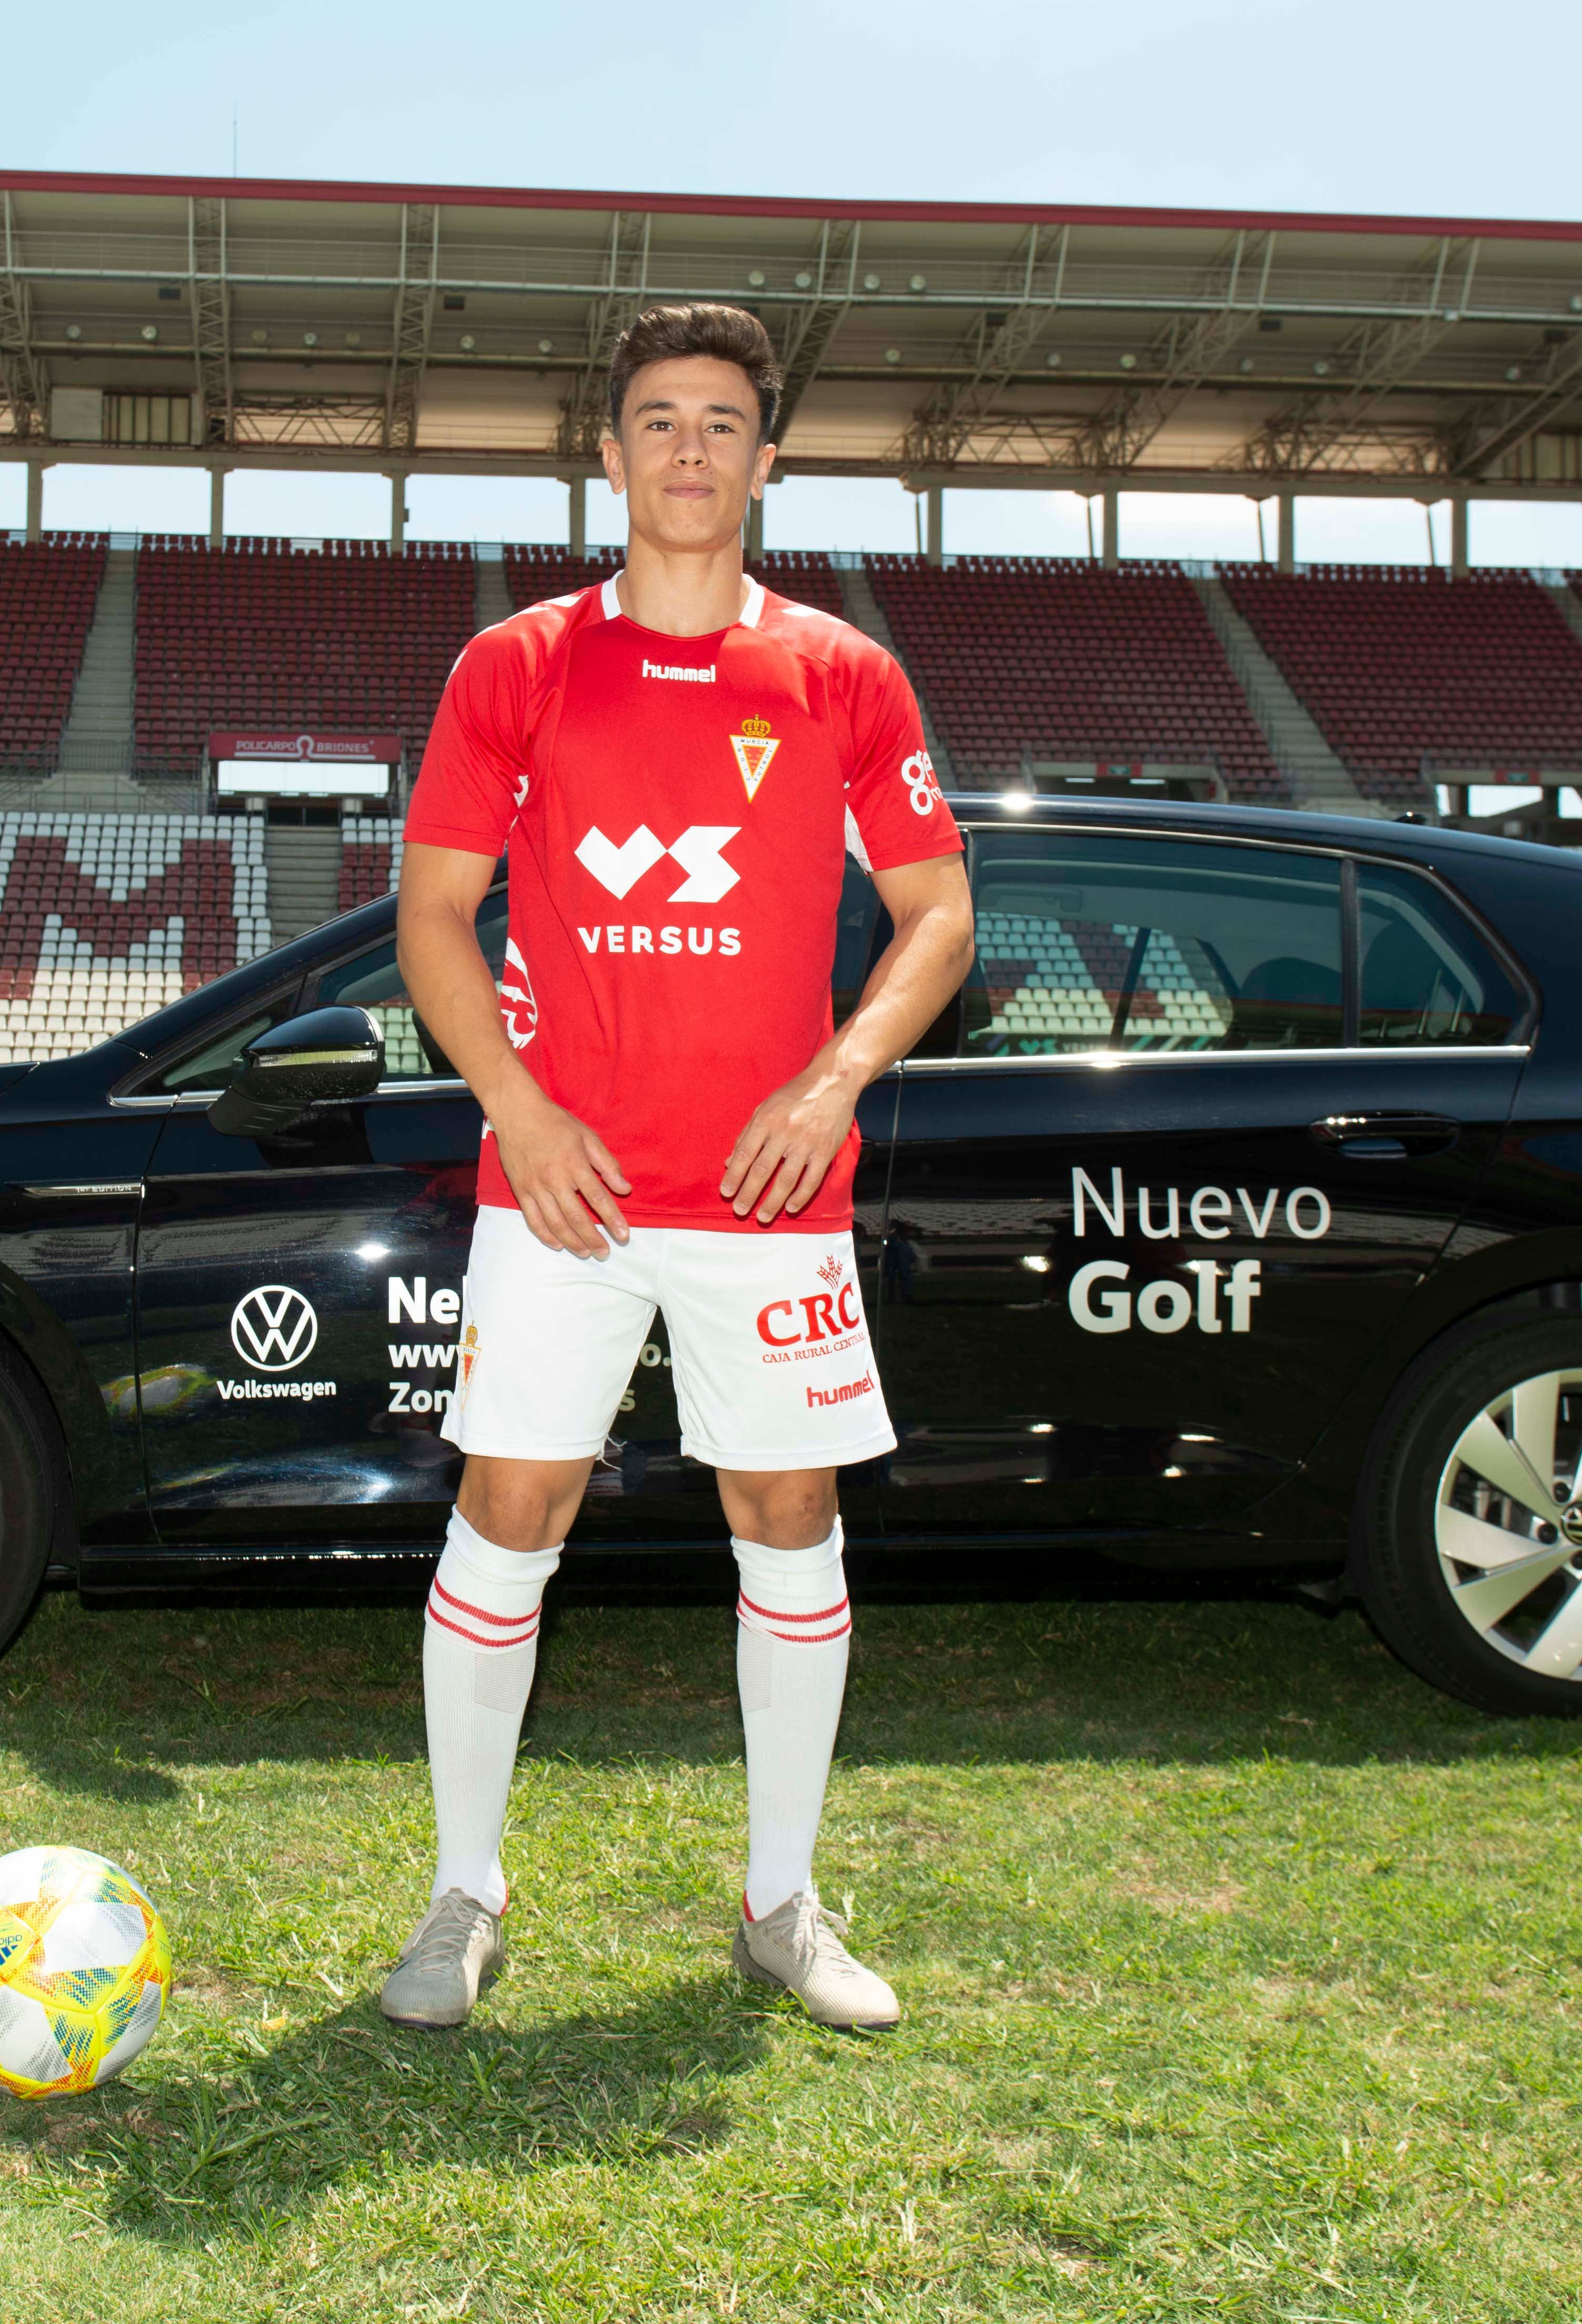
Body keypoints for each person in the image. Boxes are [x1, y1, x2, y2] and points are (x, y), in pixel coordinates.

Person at [376, 301, 975, 2033]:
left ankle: (781, 1904)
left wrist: (833, 1080)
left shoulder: (845, 673)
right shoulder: (516, 664)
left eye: (722, 421)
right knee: (510, 1516)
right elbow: (432, 916)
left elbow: (937, 918)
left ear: (767, 460)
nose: (691, 449)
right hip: (560, 1196)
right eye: (658, 420)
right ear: (614, 452)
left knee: (789, 1523)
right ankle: (461, 1898)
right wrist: (520, 1106)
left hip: (767, 1199)